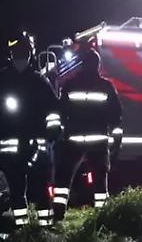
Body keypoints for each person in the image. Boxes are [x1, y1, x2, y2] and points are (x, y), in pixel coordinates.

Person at [0, 31, 60, 229]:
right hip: (11, 145)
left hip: (37, 145)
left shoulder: (40, 81)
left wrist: (53, 130)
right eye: (17, 51)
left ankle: (45, 228)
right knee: (17, 189)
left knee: (43, 188)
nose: (20, 56)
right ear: (11, 54)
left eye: (23, 51)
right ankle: (20, 229)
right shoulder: (0, 79)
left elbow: (53, 109)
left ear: (30, 53)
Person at [52, 47, 123, 220]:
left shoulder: (70, 84)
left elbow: (60, 111)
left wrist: (57, 133)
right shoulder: (106, 86)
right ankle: (103, 218)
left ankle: (58, 215)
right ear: (98, 66)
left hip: (73, 140)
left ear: (82, 65)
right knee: (100, 182)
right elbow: (116, 114)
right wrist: (116, 141)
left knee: (63, 179)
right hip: (98, 141)